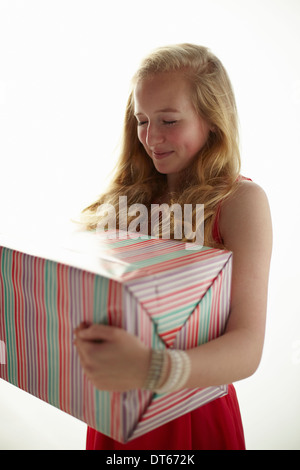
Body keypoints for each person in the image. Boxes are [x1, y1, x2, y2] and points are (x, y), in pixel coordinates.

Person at [73, 43, 272, 450]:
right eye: (142, 120)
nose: (150, 137)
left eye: (168, 120)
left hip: (194, 413)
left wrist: (150, 368)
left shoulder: (240, 202)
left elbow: (248, 348)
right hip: (117, 411)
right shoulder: (127, 200)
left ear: (212, 121)